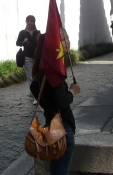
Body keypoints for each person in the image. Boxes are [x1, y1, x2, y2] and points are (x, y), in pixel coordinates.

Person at [30, 34, 80, 175]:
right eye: (64, 39)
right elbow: (61, 102)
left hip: (50, 127)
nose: (67, 42)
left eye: (67, 38)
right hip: (63, 131)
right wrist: (72, 91)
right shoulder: (53, 74)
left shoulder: (41, 73)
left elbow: (35, 88)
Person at [16, 15, 40, 103]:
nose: (30, 22)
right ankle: (35, 97)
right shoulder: (22, 33)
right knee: (30, 77)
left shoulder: (37, 32)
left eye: (32, 21)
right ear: (26, 22)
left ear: (34, 22)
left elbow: (40, 43)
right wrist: (23, 42)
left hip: (37, 57)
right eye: (28, 21)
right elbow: (17, 43)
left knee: (36, 76)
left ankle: (33, 92)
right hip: (27, 58)